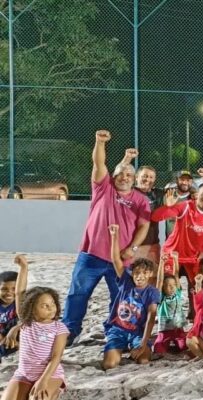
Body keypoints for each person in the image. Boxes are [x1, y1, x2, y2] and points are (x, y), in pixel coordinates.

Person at [63, 130, 151, 344]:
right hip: (91, 254)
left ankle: (116, 330)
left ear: (134, 179)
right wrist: (100, 143)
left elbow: (144, 226)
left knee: (121, 298)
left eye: (129, 175)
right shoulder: (103, 188)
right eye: (120, 174)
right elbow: (98, 164)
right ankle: (69, 332)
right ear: (114, 176)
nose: (124, 177)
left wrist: (133, 248)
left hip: (120, 259)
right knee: (78, 295)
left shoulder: (140, 200)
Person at [0, 255, 68, 400]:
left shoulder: (60, 328)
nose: (51, 308)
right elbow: (20, 293)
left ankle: (57, 389)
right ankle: (24, 389)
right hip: (24, 374)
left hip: (49, 375)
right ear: (31, 308)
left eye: (52, 304)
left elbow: (56, 357)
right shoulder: (26, 321)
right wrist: (24, 268)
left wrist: (43, 381)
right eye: (45, 306)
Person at [151, 183, 203, 313]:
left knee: (198, 285)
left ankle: (196, 314)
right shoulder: (185, 206)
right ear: (197, 195)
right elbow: (155, 217)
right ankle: (167, 316)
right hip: (173, 252)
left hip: (193, 255)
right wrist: (167, 207)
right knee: (169, 285)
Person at [102, 224, 160, 370]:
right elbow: (116, 259)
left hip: (137, 333)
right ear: (132, 274)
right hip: (118, 330)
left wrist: (143, 343)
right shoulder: (126, 282)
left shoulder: (152, 292)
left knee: (143, 360)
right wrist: (115, 236)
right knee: (109, 364)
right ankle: (119, 347)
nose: (140, 276)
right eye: (137, 273)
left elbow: (151, 317)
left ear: (150, 275)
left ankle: (138, 347)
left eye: (144, 273)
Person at [120, 148, 162, 265]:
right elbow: (119, 174)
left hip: (152, 245)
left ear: (154, 180)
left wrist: (194, 191)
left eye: (150, 177)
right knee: (129, 280)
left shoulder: (158, 194)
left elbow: (182, 191)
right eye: (144, 176)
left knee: (152, 280)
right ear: (136, 177)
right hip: (129, 246)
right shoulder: (127, 192)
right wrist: (127, 158)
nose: (147, 179)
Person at [152, 252, 188, 355]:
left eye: (173, 285)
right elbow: (159, 281)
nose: (171, 287)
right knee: (158, 349)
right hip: (164, 331)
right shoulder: (161, 298)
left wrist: (176, 259)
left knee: (183, 347)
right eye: (168, 285)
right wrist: (162, 263)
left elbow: (176, 274)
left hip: (178, 329)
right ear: (163, 288)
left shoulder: (177, 294)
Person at [0, 270, 19, 361]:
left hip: (17, 340)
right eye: (4, 289)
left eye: (14, 289)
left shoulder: (20, 304)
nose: (9, 292)